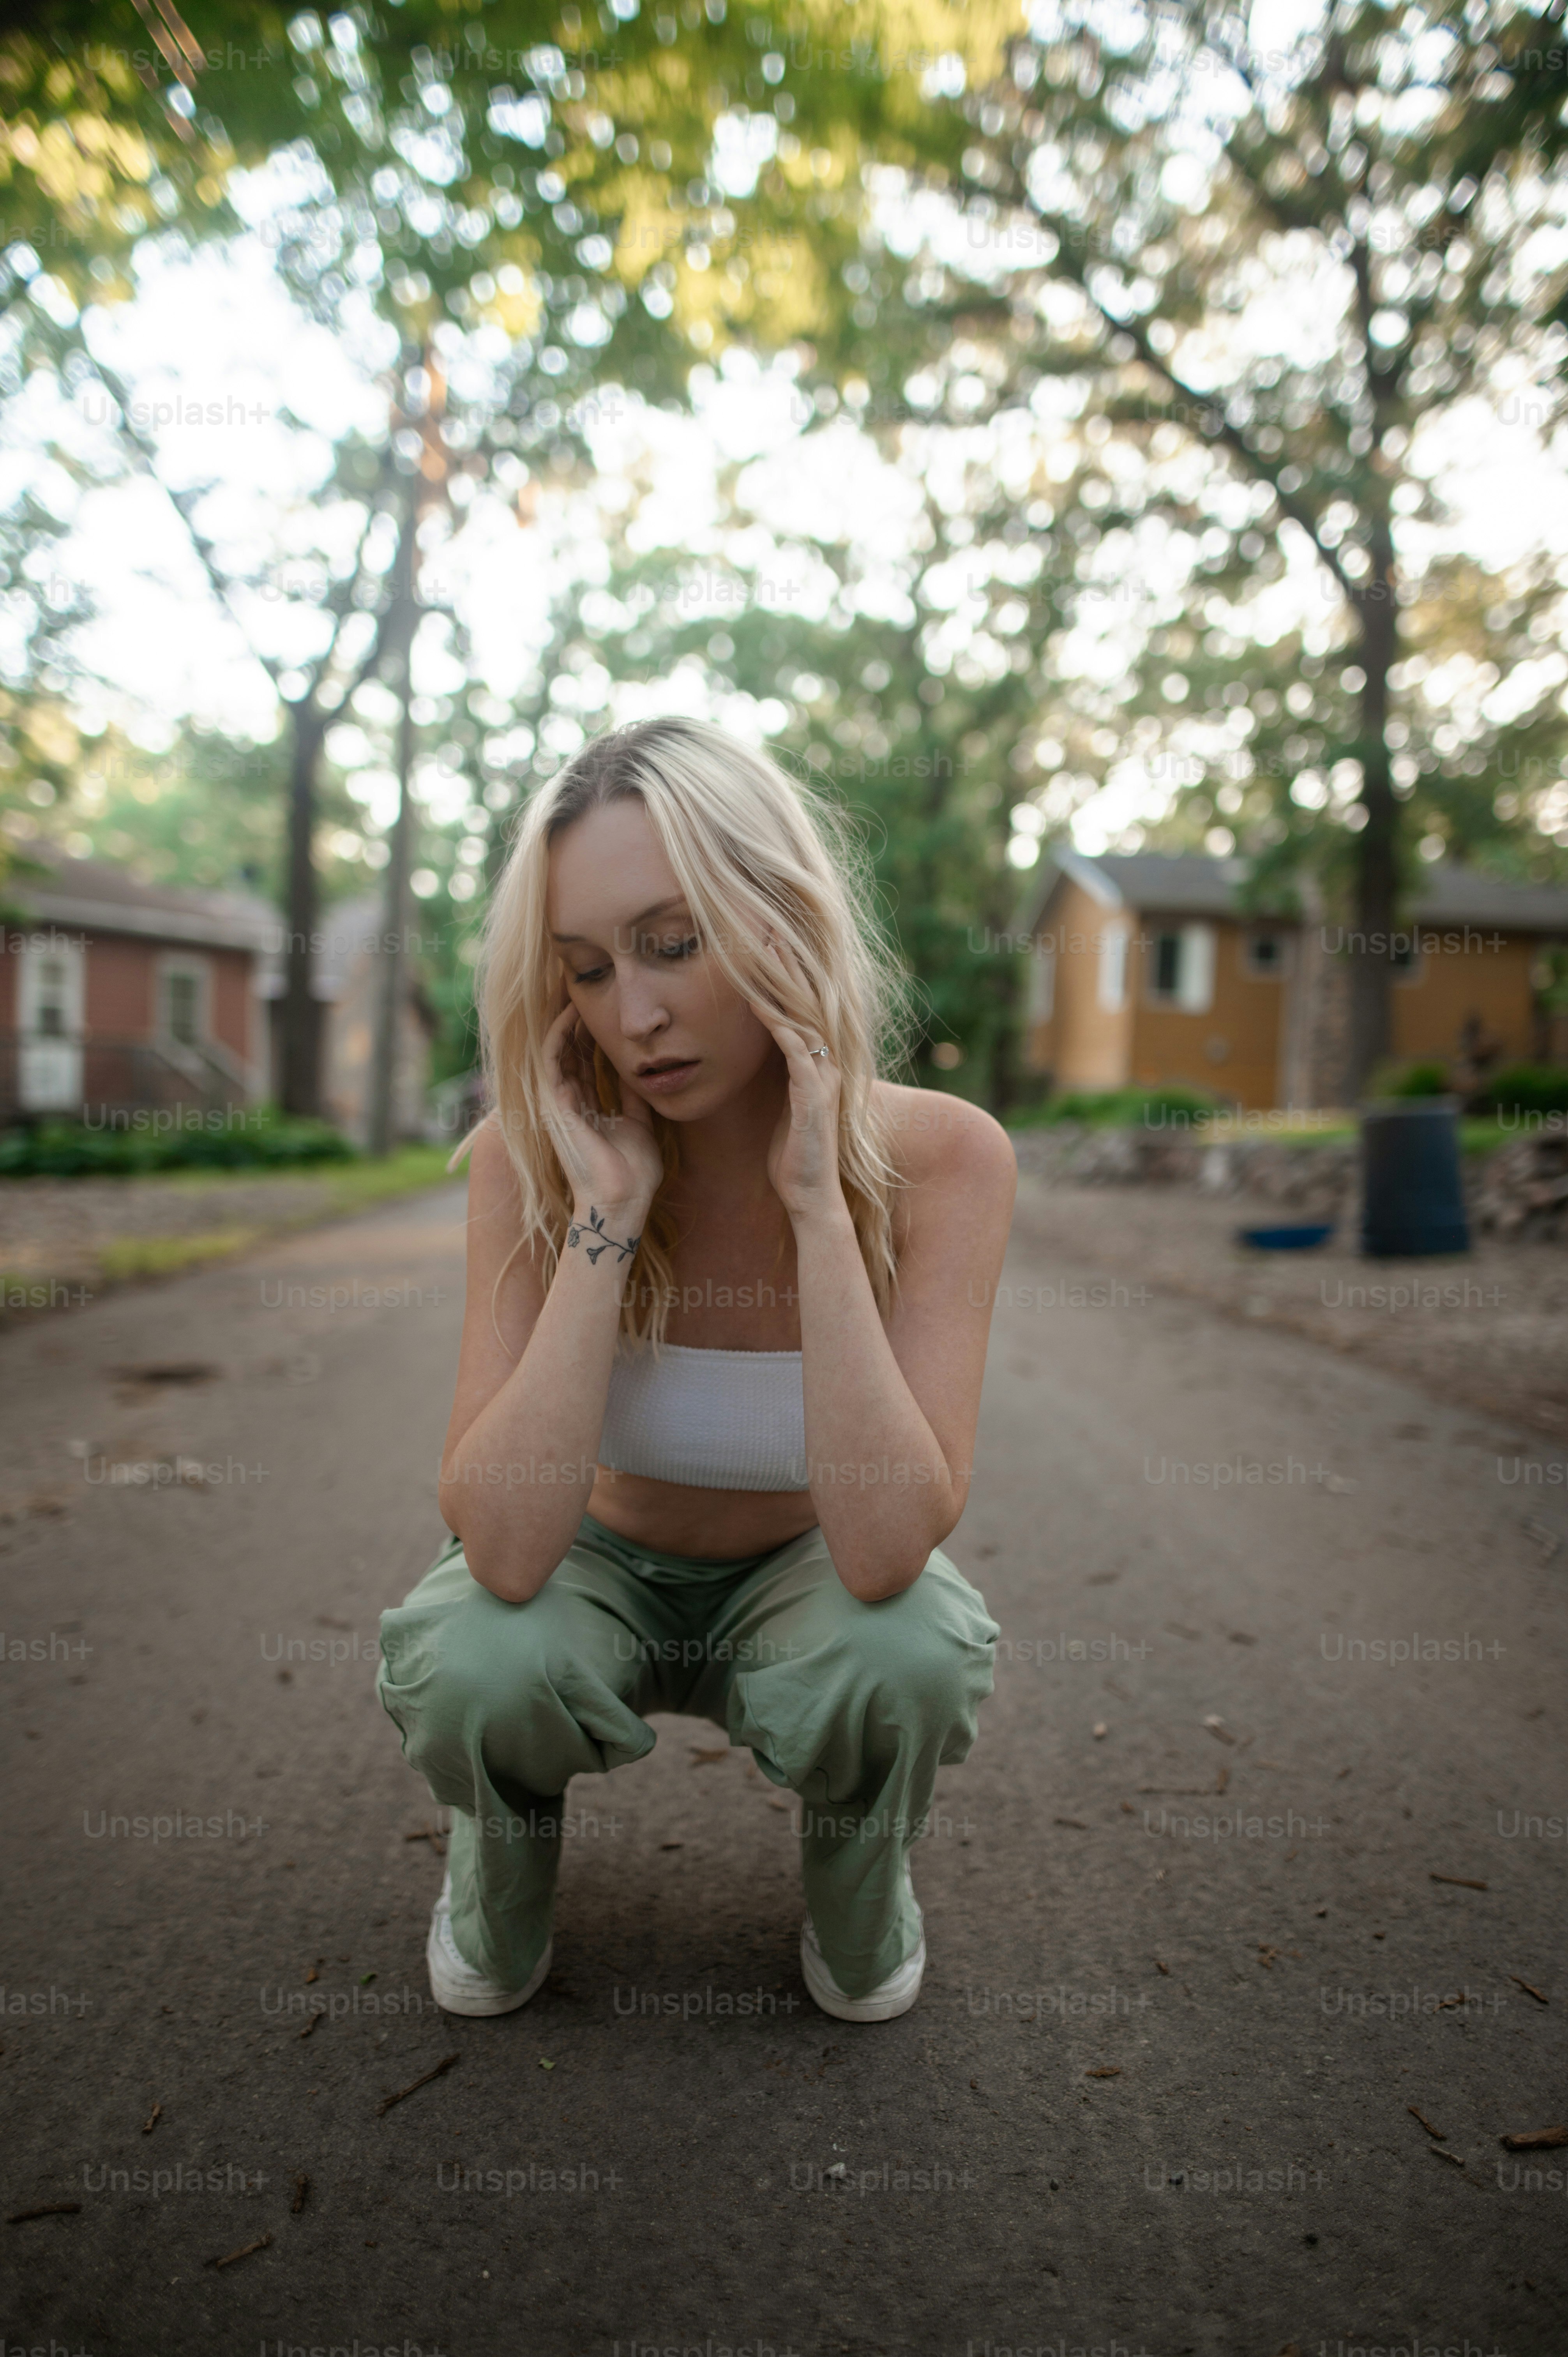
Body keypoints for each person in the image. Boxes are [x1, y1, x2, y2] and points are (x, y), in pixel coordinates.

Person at [377, 716, 1016, 2024]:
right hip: (587, 1572)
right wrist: (607, 1212)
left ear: (780, 917)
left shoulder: (948, 1158)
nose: (638, 1014)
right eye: (591, 971)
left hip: (811, 1583)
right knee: (476, 1661)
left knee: (907, 1655)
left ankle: (858, 1892)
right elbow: (500, 1549)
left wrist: (819, 1209)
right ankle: (499, 1874)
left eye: (674, 945)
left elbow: (891, 1546)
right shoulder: (531, 1163)